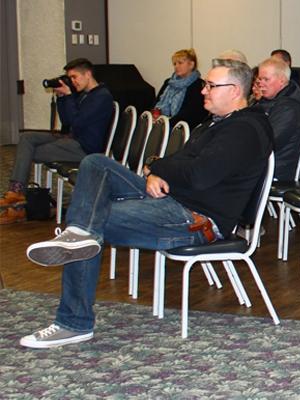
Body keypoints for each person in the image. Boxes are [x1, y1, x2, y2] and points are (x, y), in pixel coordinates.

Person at [18, 59, 273, 348]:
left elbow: (199, 175)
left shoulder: (245, 130)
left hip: (194, 219)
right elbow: (179, 159)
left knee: (91, 221)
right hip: (172, 198)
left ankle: (73, 322)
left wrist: (162, 170)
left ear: (236, 90)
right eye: (205, 85)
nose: (204, 91)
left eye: (211, 86)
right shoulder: (215, 124)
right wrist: (155, 169)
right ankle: (77, 236)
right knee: (95, 164)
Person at [0, 58, 114, 223]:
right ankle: (16, 193)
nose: (73, 82)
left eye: (75, 77)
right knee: (26, 138)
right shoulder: (85, 95)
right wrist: (62, 97)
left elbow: (76, 121)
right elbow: (67, 122)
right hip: (72, 139)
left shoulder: (101, 96)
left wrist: (68, 96)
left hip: (84, 148)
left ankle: (17, 204)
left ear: (88, 74)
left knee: (29, 152)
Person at [251, 58, 300, 181]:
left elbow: (267, 142)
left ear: (282, 81)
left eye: (266, 79)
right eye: (260, 79)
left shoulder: (289, 108)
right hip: (261, 166)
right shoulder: (267, 103)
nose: (260, 83)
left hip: (275, 170)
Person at [153, 49, 206, 128]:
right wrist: (155, 114)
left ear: (191, 65)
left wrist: (167, 123)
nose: (176, 66)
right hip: (163, 124)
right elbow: (156, 103)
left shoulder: (198, 85)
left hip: (183, 128)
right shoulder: (168, 82)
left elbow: (191, 113)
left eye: (180, 63)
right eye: (174, 64)